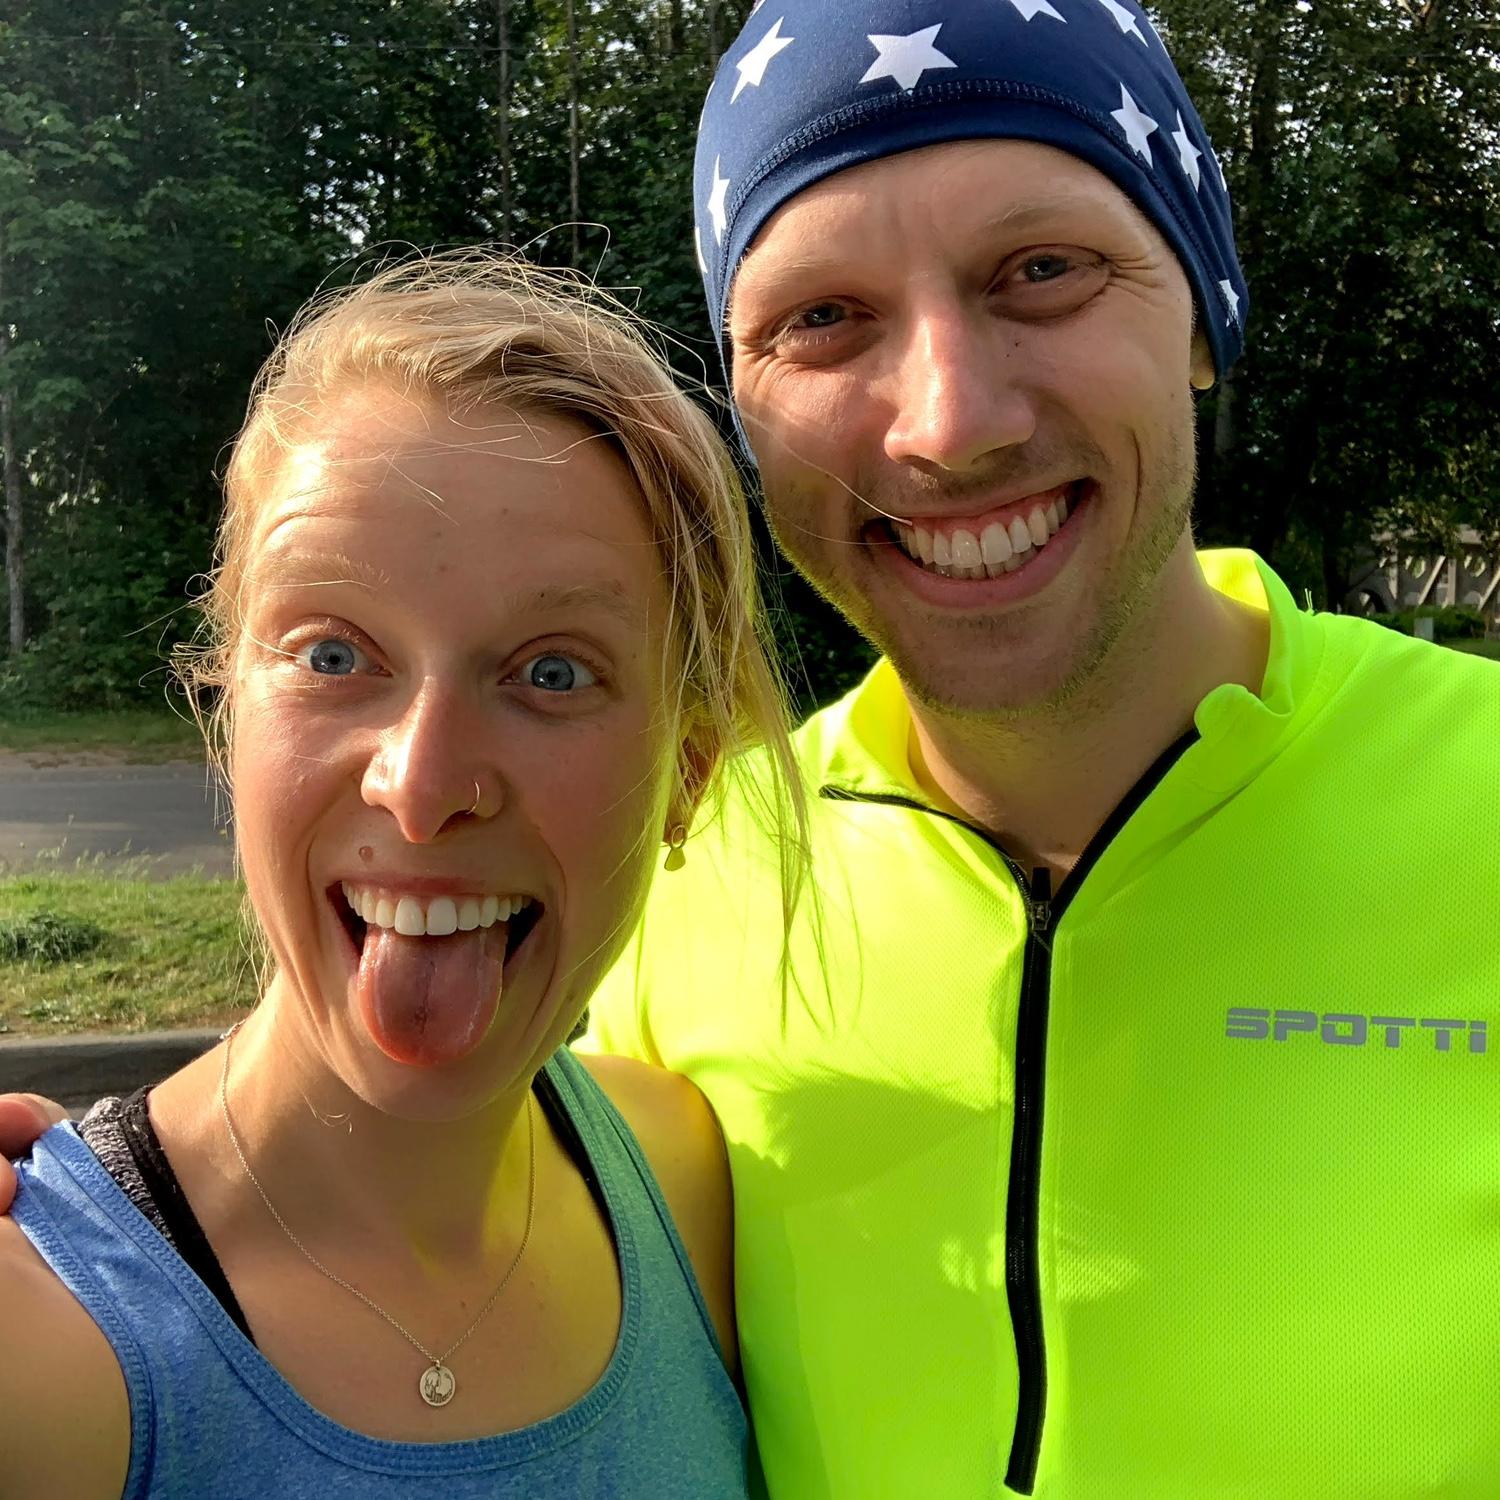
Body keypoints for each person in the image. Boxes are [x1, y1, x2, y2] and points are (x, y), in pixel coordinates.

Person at [4, 2, 1498, 1497]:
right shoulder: (692, 877)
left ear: (1205, 311)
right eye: (823, 318)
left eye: (1042, 271)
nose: (948, 424)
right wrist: (86, 1219)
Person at [0, 249, 810, 1497]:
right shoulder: (46, 1348)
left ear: (687, 774)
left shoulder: (684, 1174)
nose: (423, 787)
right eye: (333, 655)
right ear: (228, 709)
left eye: (552, 673)